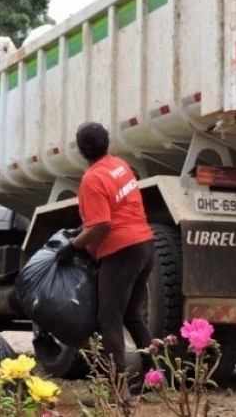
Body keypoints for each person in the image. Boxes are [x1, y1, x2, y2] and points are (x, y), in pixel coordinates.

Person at [55, 122, 155, 379]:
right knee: (132, 315)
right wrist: (82, 232)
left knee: (109, 320)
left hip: (121, 251)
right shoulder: (120, 166)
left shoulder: (92, 179)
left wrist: (72, 247)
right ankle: (153, 377)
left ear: (80, 150)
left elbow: (101, 225)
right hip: (144, 245)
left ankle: (114, 388)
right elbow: (112, 211)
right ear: (107, 143)